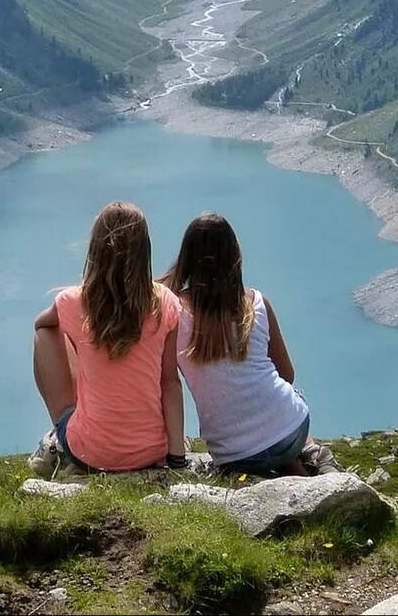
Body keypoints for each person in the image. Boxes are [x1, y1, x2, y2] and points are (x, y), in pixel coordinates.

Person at [161, 213, 332, 477]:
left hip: (232, 453)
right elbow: (287, 374)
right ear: (234, 256)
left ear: (186, 258)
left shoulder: (172, 311)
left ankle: (296, 466)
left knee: (264, 447)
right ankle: (309, 455)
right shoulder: (257, 303)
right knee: (283, 423)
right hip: (292, 430)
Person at [31, 201, 188, 474]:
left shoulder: (72, 301)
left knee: (47, 335)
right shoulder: (166, 303)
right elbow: (170, 383)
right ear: (144, 251)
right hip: (151, 450)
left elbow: (41, 323)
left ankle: (67, 428)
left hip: (90, 452)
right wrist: (176, 458)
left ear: (96, 250)